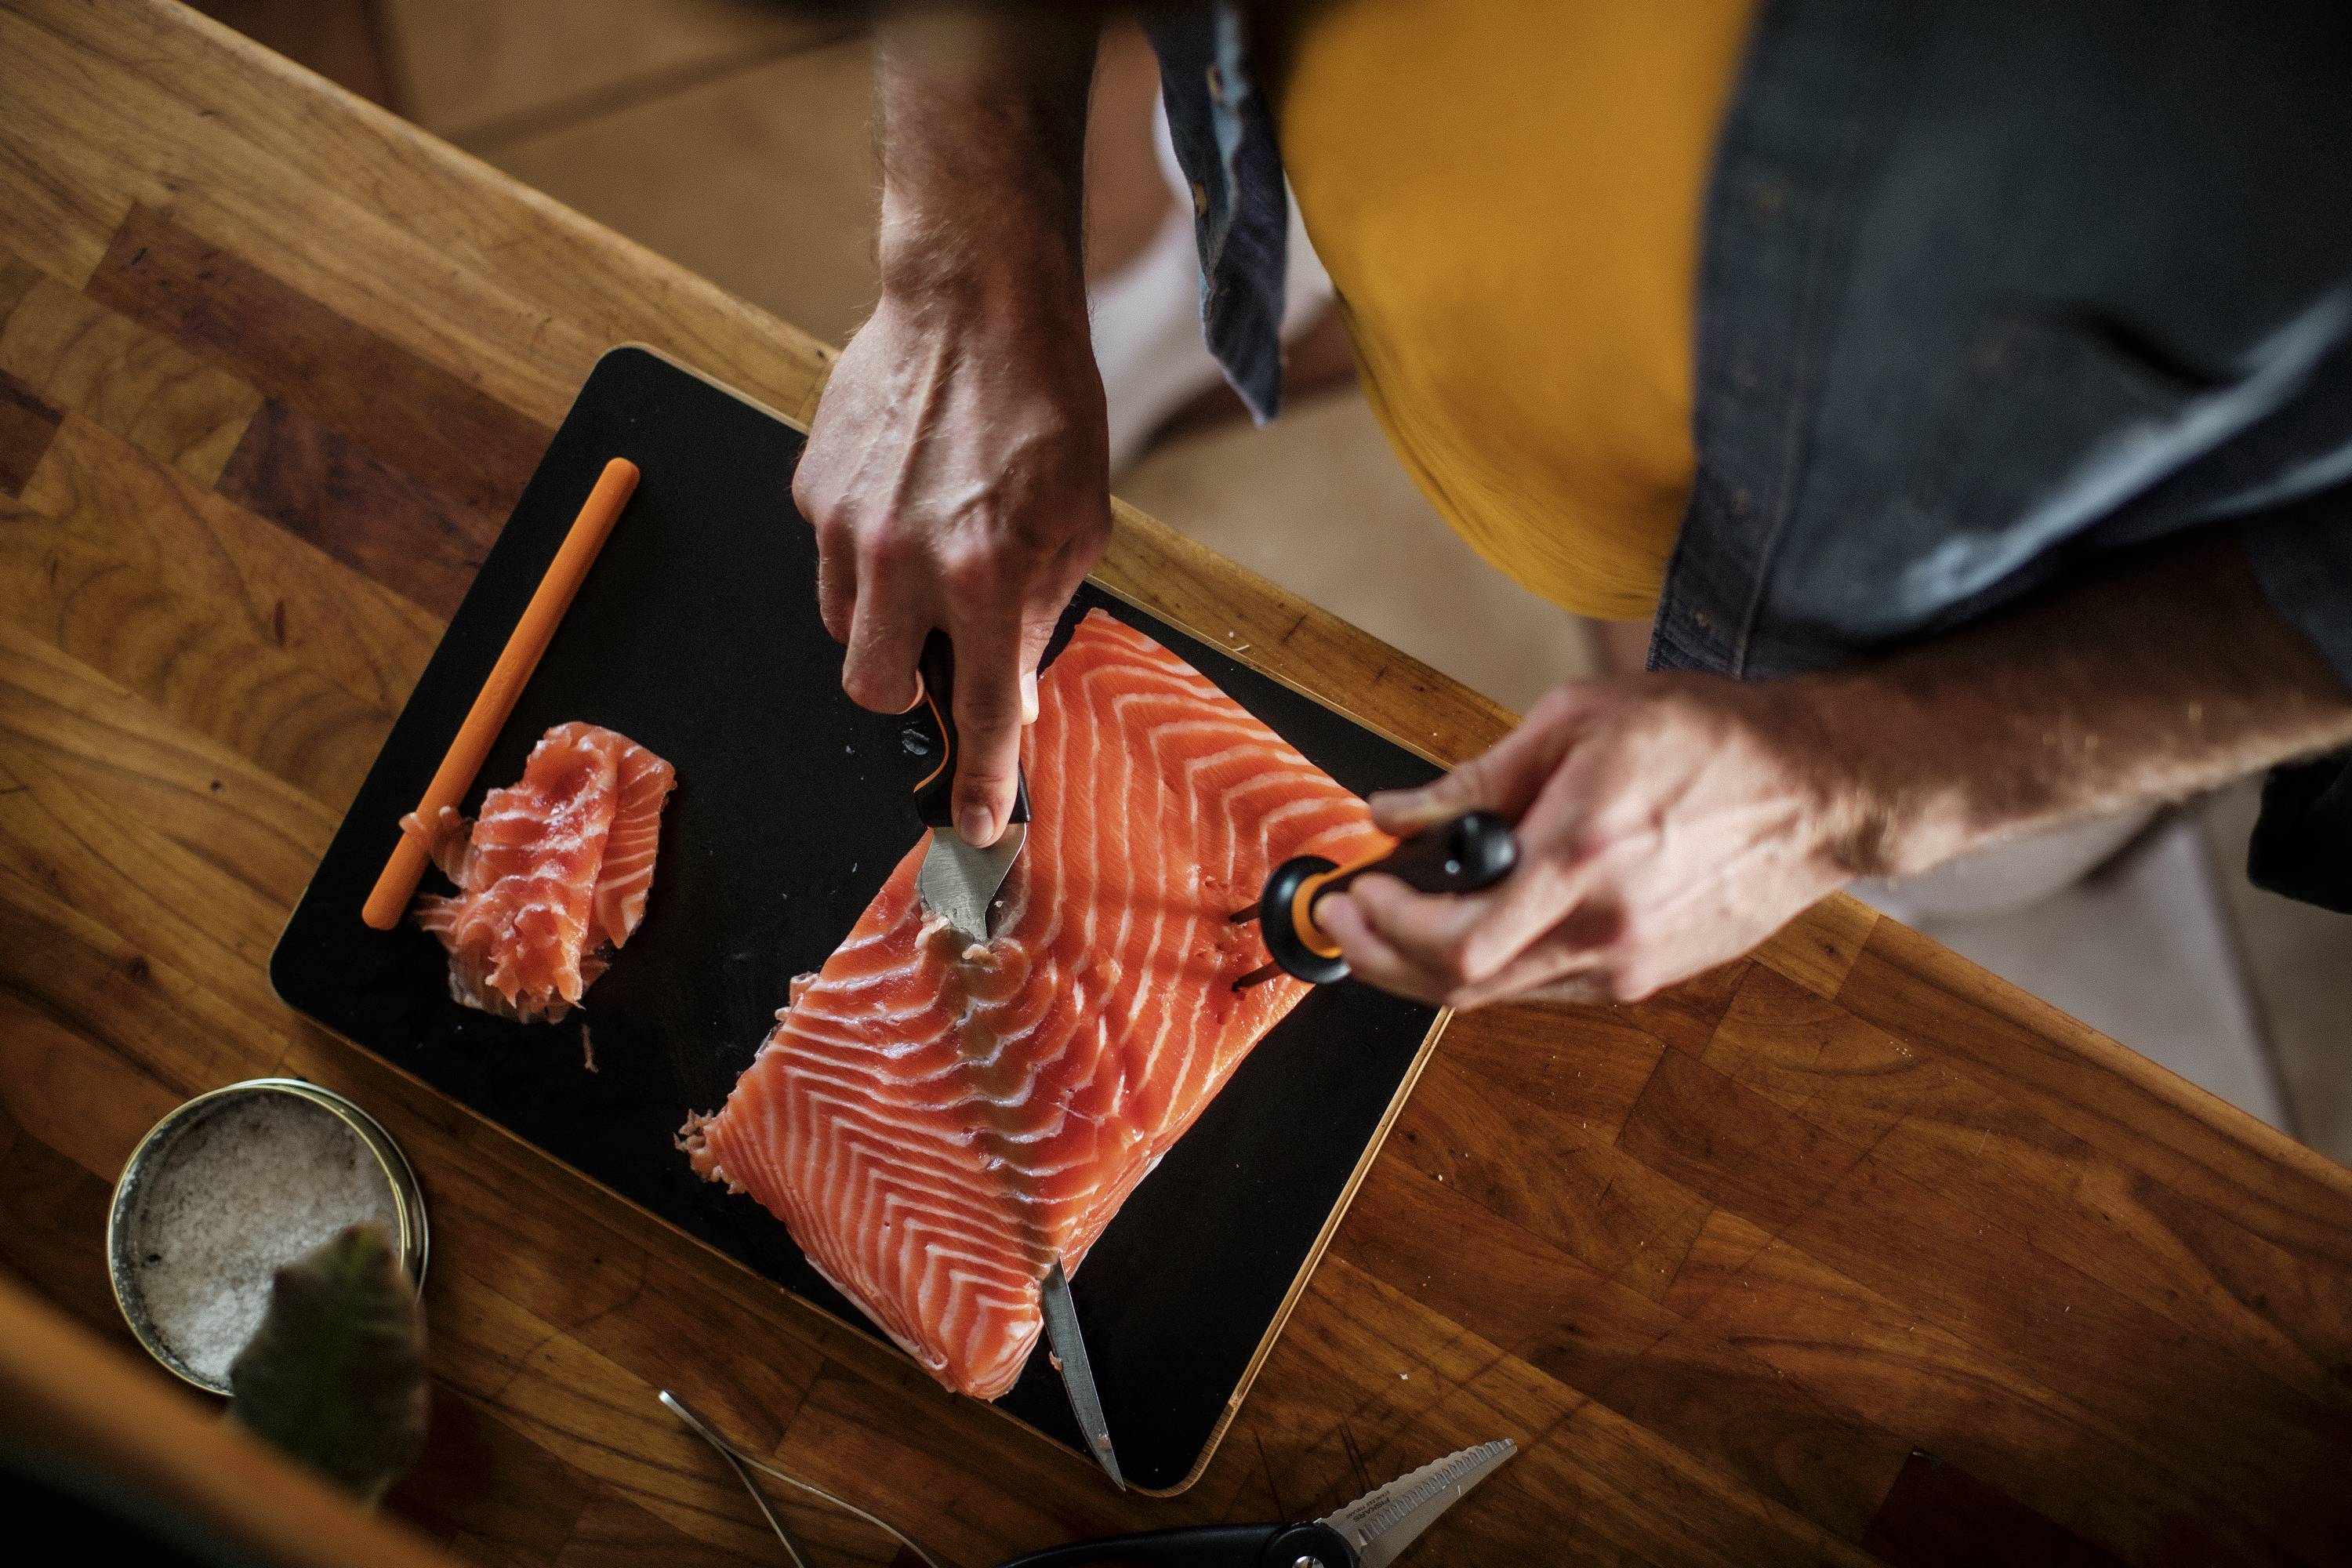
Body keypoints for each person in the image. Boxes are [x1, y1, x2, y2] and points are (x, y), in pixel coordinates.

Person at [791, 0, 2352, 1009]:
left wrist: (1851, 781)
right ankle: (1178, 282)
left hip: (1977, 568)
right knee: (1625, 618)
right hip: (1514, 349)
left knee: (1941, 849)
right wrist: (966, 257)